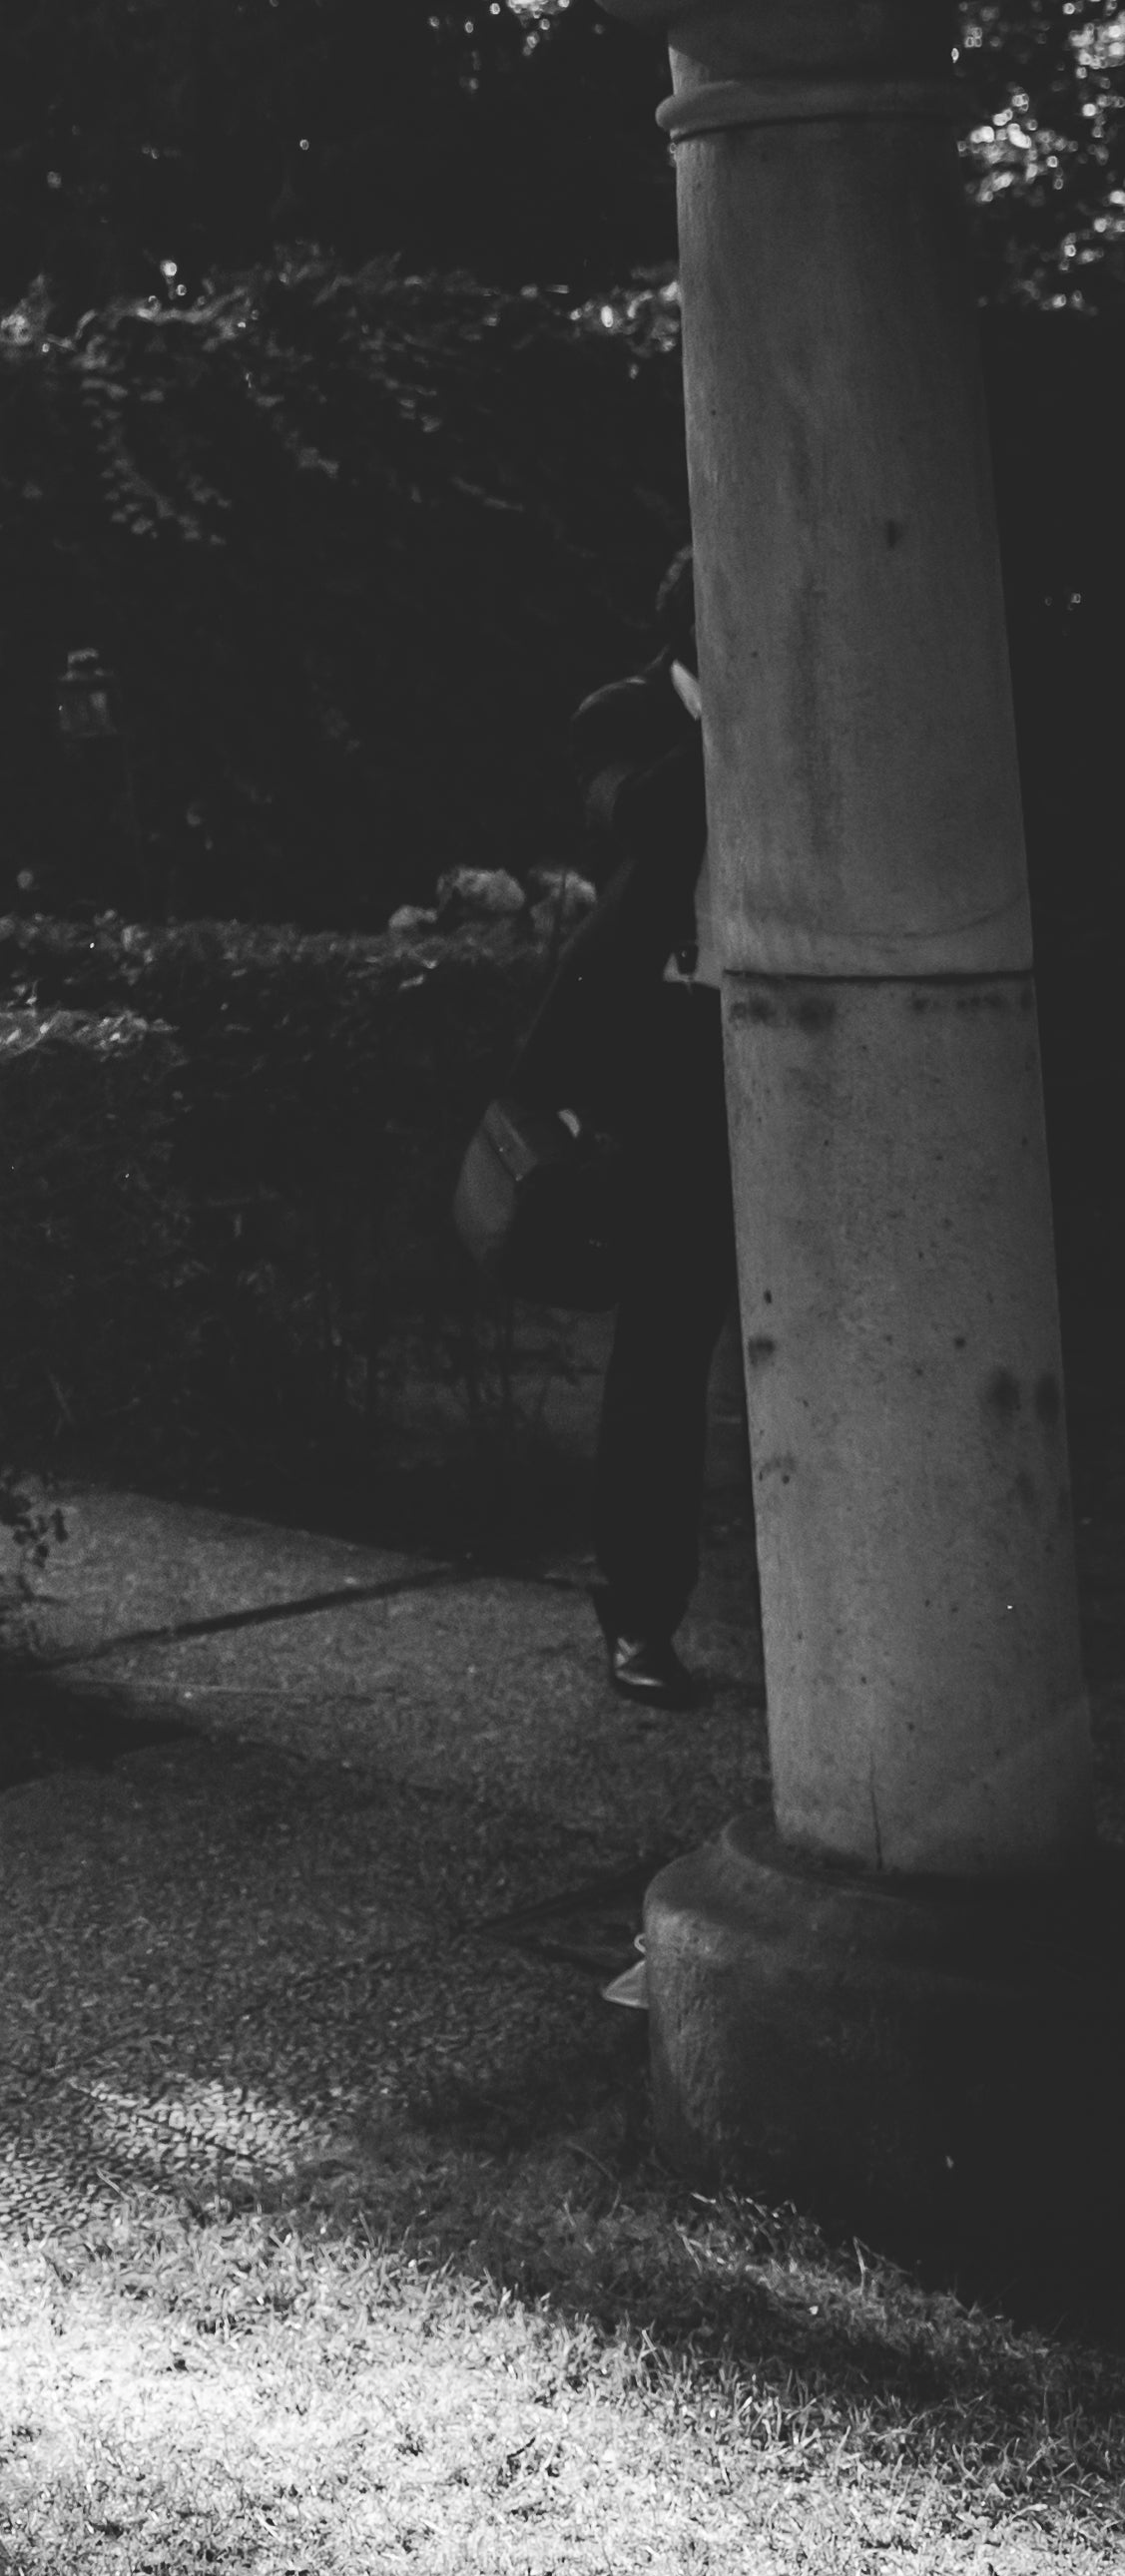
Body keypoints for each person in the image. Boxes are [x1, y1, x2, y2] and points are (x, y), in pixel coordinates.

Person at [512, 549, 726, 1710]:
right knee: (663, 1346)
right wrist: (735, 710)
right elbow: (636, 818)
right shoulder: (626, 716)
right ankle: (639, 1615)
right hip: (677, 1068)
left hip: (810, 1044)